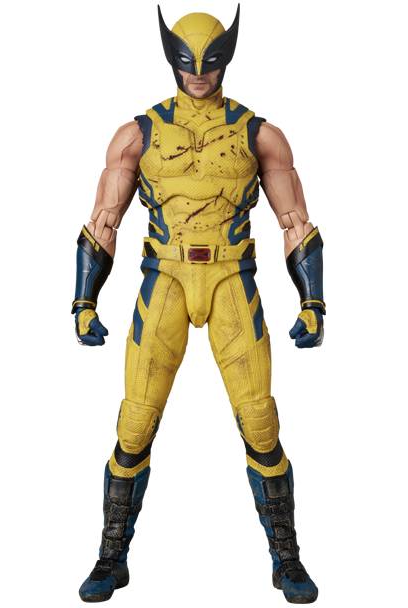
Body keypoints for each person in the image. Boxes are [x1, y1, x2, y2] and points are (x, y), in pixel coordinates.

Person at [72, 5, 325, 604]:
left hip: (233, 279)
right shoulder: (139, 133)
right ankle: (111, 557)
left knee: (260, 422)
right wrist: (83, 301)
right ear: (171, 58)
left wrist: (313, 301)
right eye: (188, 61)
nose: (199, 73)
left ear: (227, 58)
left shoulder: (258, 133)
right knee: (135, 424)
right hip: (164, 279)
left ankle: (286, 559)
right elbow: (103, 220)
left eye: (210, 61)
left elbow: (295, 221)